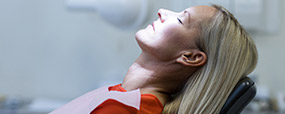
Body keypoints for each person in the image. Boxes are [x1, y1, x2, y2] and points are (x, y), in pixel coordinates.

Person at [50, 4, 257, 114]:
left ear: (190, 57)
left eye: (179, 19)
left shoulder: (123, 110)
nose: (162, 12)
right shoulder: (125, 100)